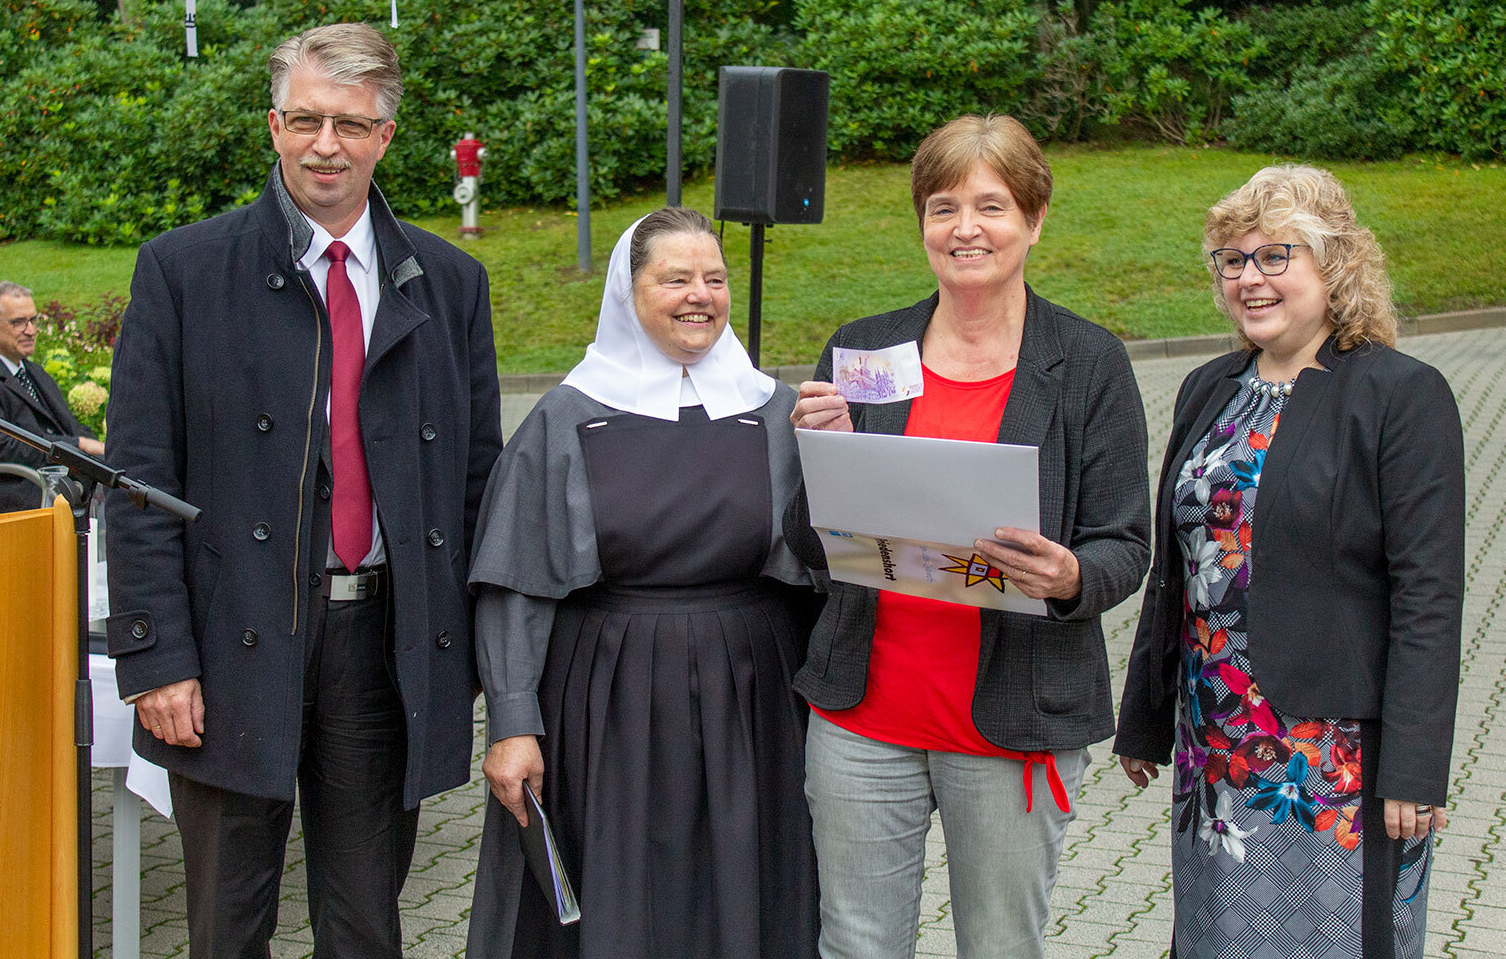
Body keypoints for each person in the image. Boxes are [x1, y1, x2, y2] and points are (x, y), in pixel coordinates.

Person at [104, 23, 502, 959]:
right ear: (274, 126)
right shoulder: (183, 271)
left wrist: (479, 659)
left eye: (353, 125)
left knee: (367, 923)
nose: (329, 144)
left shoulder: (450, 283)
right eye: (309, 120)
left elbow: (481, 481)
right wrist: (156, 655)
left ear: (386, 138)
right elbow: (139, 483)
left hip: (382, 644)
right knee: (227, 924)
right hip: (232, 639)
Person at [786, 114, 1152, 959]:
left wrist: (1068, 576)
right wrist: (817, 456)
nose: (966, 228)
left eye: (991, 205)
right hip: (865, 717)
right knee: (856, 943)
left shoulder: (1089, 362)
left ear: (1034, 218)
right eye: (943, 206)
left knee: (999, 946)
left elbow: (1125, 542)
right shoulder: (864, 349)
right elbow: (809, 544)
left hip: (1013, 720)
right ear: (921, 222)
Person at [1115, 164, 1464, 959]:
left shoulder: (1400, 394)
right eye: (1233, 260)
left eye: (1277, 256)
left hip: (1331, 757)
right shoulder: (1210, 387)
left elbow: (1430, 594)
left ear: (1335, 265)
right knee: (1218, 938)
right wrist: (1145, 714)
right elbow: (1177, 566)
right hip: (1217, 744)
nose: (1250, 277)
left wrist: (1416, 763)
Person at [465, 206, 820, 959]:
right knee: (621, 892)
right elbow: (515, 585)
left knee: (750, 882)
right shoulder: (568, 417)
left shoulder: (779, 411)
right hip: (608, 694)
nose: (701, 295)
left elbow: (822, 568)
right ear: (629, 293)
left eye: (715, 278)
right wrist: (512, 720)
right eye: (677, 278)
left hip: (753, 694)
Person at [0, 280, 103, 514]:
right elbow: (5, 448)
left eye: (33, 320)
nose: (31, 330)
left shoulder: (33, 372)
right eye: (19, 322)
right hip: (14, 490)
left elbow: (70, 426)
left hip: (53, 480)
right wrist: (76, 445)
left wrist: (95, 448)